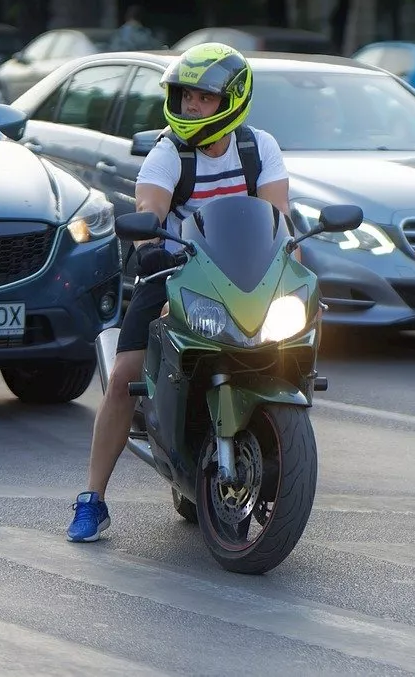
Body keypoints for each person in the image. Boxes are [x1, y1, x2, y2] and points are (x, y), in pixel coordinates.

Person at [67, 43, 293, 542]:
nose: (191, 106)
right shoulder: (169, 152)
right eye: (185, 96)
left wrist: (294, 272)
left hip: (244, 277)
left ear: (232, 99)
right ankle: (92, 498)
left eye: (203, 97)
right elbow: (150, 210)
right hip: (176, 271)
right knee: (127, 374)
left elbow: (279, 221)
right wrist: (153, 245)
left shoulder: (260, 148)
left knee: (290, 342)